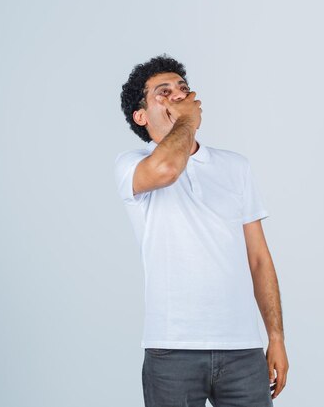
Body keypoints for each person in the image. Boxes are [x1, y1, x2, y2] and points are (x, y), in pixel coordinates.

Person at [114, 54, 289, 406]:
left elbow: (258, 258)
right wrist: (187, 123)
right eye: (164, 93)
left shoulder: (235, 166)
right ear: (141, 116)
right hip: (172, 350)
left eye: (183, 88)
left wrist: (276, 338)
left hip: (243, 350)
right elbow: (165, 170)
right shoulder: (131, 164)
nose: (179, 96)